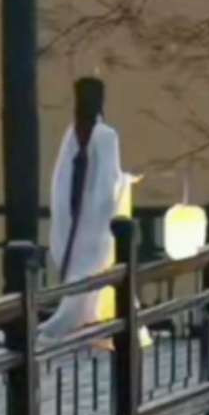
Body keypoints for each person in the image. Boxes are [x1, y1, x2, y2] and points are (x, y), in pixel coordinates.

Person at [39, 77, 151, 348]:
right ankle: (81, 320)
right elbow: (108, 181)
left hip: (74, 215)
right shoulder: (106, 135)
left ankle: (82, 318)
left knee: (82, 271)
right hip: (96, 220)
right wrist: (126, 181)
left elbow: (62, 178)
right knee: (93, 270)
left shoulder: (74, 133)